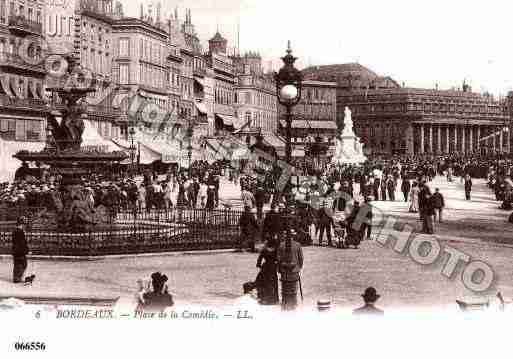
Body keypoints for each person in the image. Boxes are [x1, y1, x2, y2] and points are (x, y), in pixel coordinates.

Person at [255, 238, 279, 305]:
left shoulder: (264, 250)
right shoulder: (276, 250)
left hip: (265, 267)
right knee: (273, 283)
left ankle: (264, 299)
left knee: (264, 283)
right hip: (273, 267)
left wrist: (259, 265)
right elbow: (278, 259)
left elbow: (259, 259)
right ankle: (274, 299)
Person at [12, 217, 29, 283]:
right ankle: (17, 278)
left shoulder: (16, 230)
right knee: (22, 264)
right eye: (24, 224)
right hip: (19, 250)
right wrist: (26, 250)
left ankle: (16, 277)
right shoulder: (19, 231)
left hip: (16, 250)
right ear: (21, 224)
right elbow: (22, 243)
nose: (25, 226)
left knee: (18, 264)